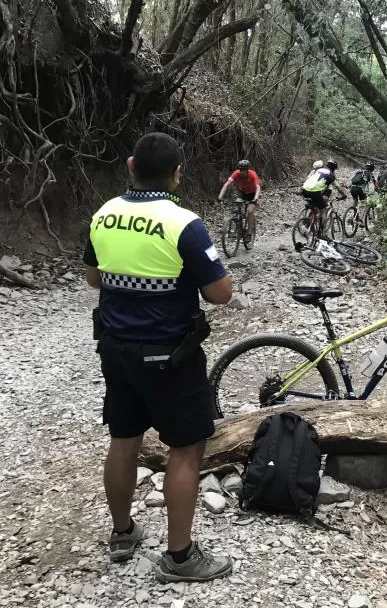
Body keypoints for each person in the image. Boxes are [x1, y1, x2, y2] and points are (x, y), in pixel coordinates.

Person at [83, 132, 234, 583]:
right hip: (170, 353)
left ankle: (123, 533)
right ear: (177, 174)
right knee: (185, 449)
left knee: (124, 438)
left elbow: (94, 278)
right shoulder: (184, 223)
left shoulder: (104, 214)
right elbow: (220, 294)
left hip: (115, 347)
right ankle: (181, 557)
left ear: (130, 165)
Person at [217, 159, 261, 244]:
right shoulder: (236, 173)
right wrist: (220, 197)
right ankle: (237, 227)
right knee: (237, 207)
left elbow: (258, 188)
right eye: (240, 170)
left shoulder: (252, 174)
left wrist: (255, 199)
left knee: (250, 211)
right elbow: (227, 185)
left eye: (243, 170)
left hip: (253, 194)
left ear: (247, 170)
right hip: (242, 193)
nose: (242, 172)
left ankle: (249, 233)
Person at [300, 158, 346, 231]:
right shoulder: (331, 175)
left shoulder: (318, 170)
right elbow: (338, 187)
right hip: (315, 192)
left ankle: (308, 221)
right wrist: (343, 195)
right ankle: (321, 231)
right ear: (334, 169)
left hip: (304, 189)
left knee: (314, 206)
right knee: (323, 210)